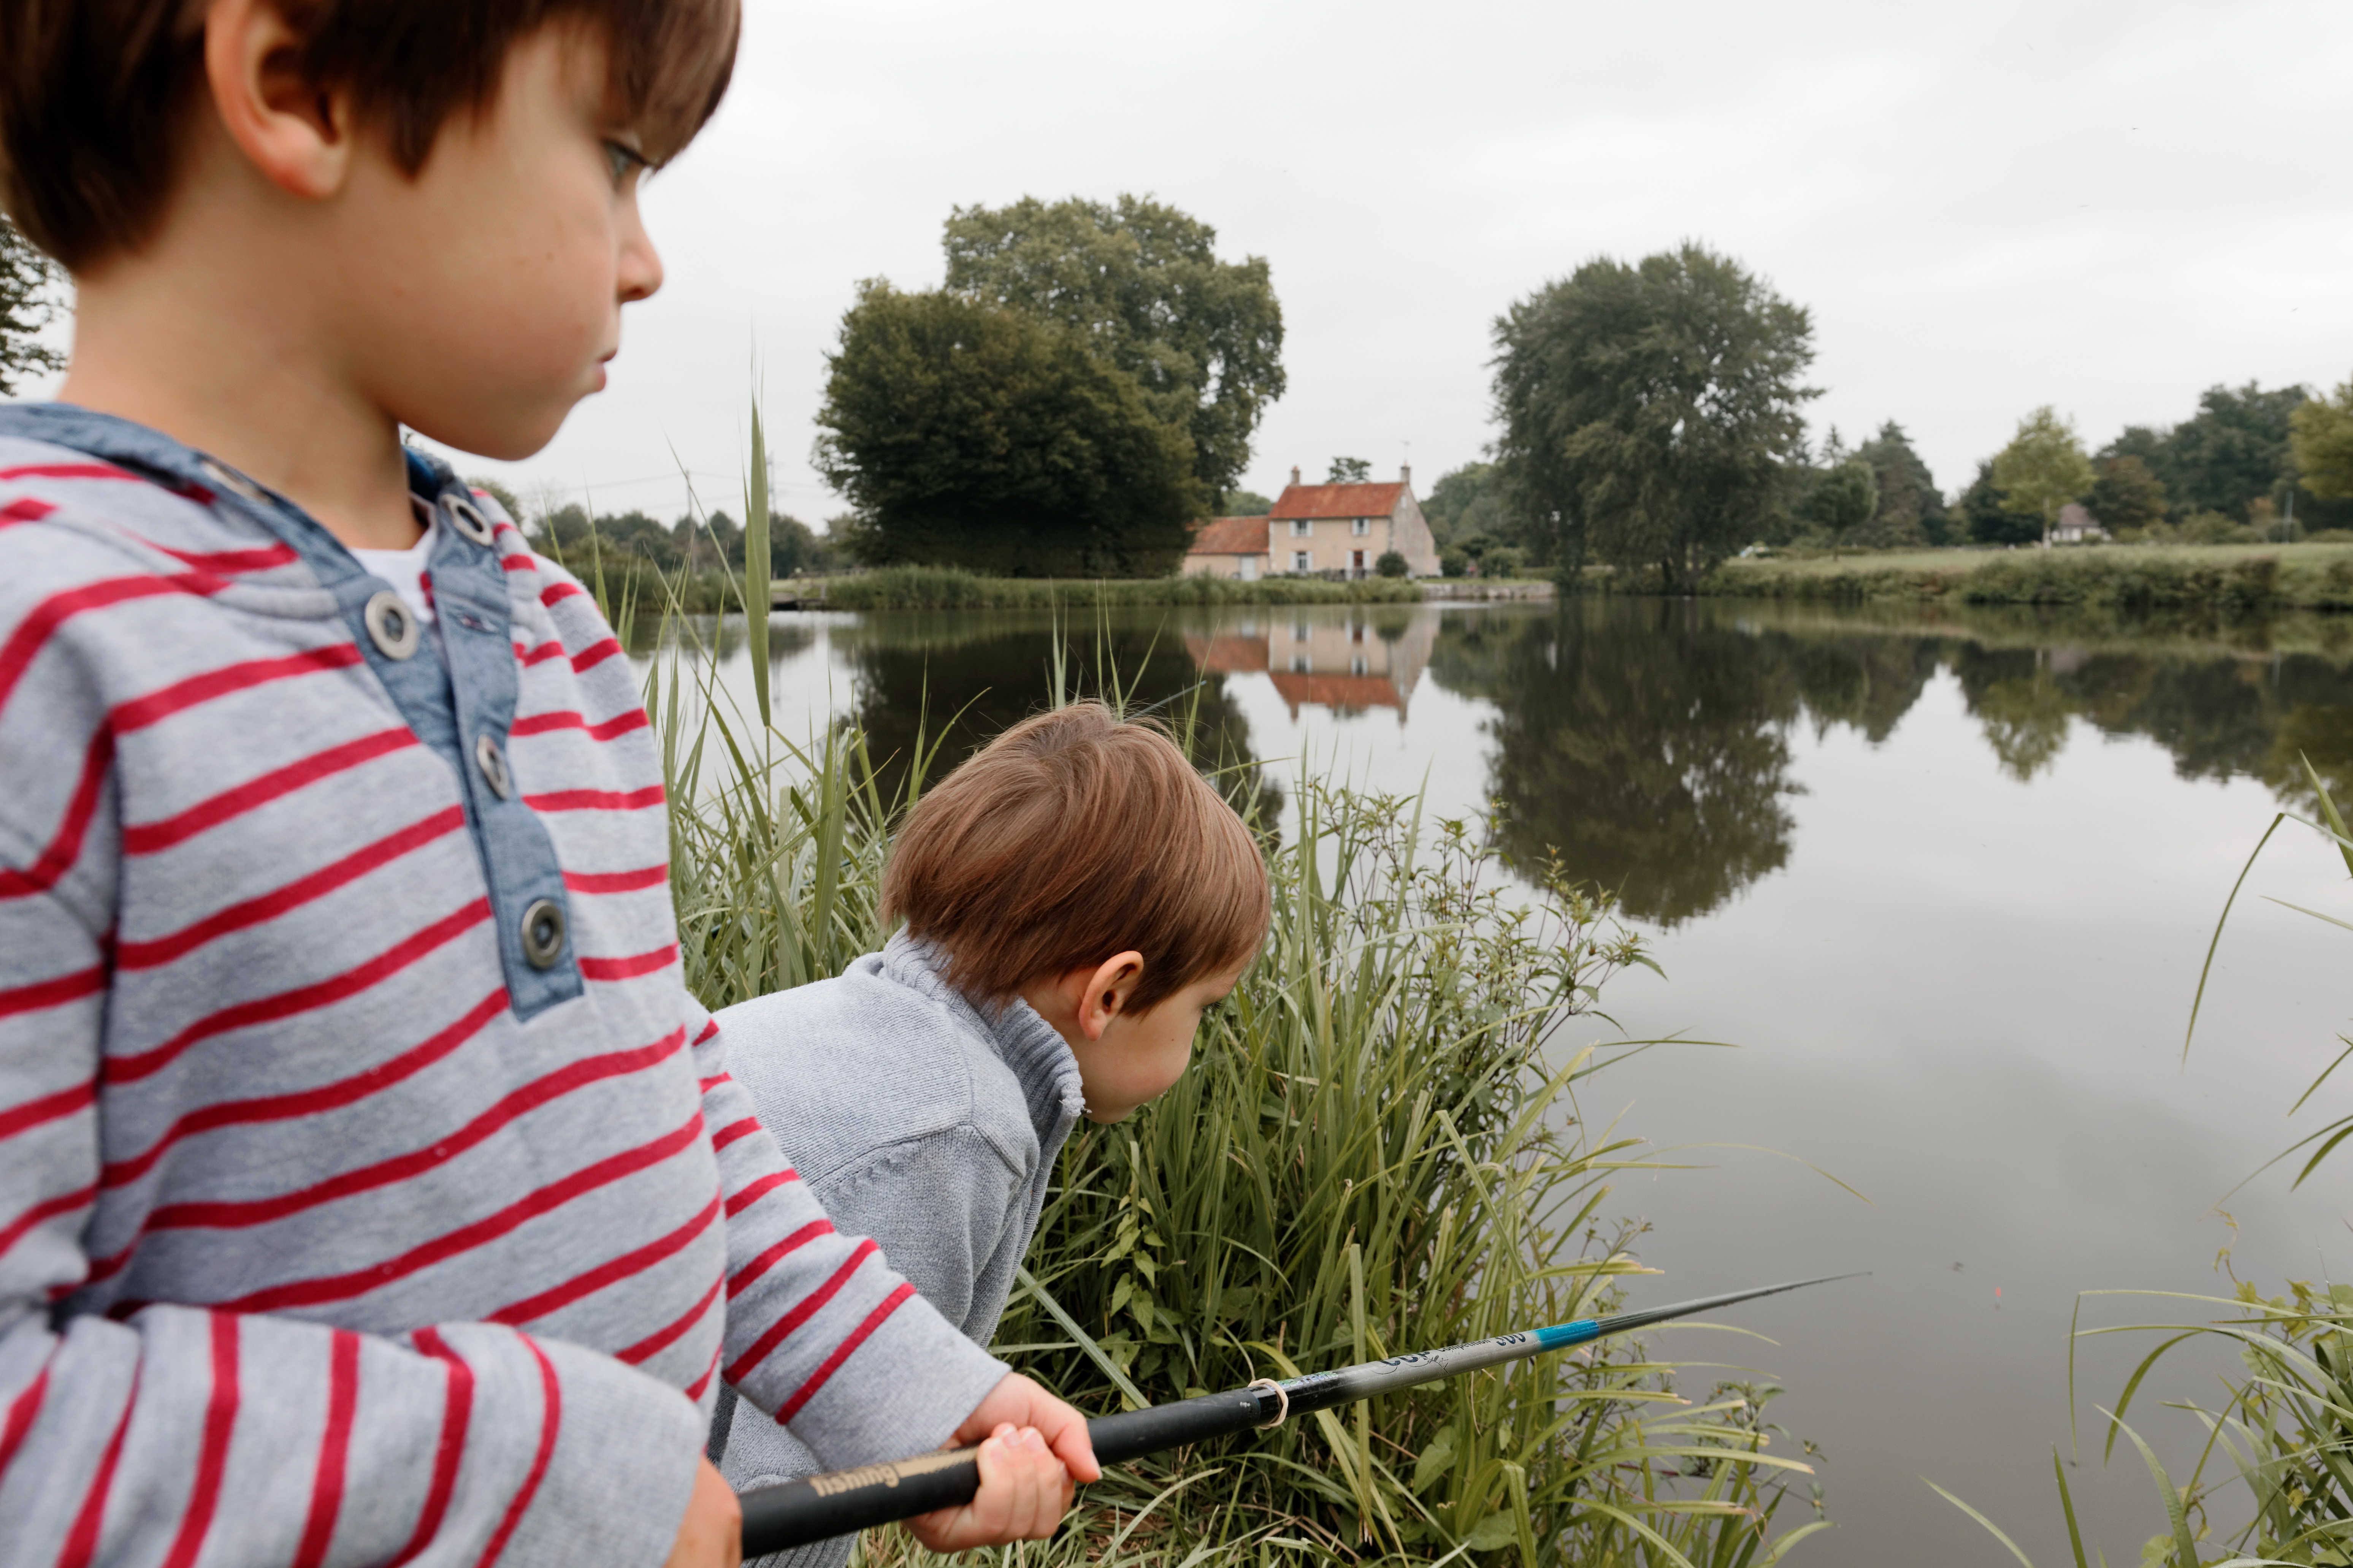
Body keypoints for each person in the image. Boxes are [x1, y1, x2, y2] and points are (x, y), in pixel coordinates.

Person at [0, 3, 1095, 1564]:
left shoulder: (557, 637)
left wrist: (910, 1376)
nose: (645, 259)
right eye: (617, 159)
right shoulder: (41, 645)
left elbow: (672, 1107)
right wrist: (535, 1478)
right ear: (299, 85)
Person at [710, 702, 1271, 1566]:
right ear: (1111, 993)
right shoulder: (954, 1132)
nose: (1198, 1037)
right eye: (1204, 1008)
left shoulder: (871, 1018)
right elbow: (786, 1485)